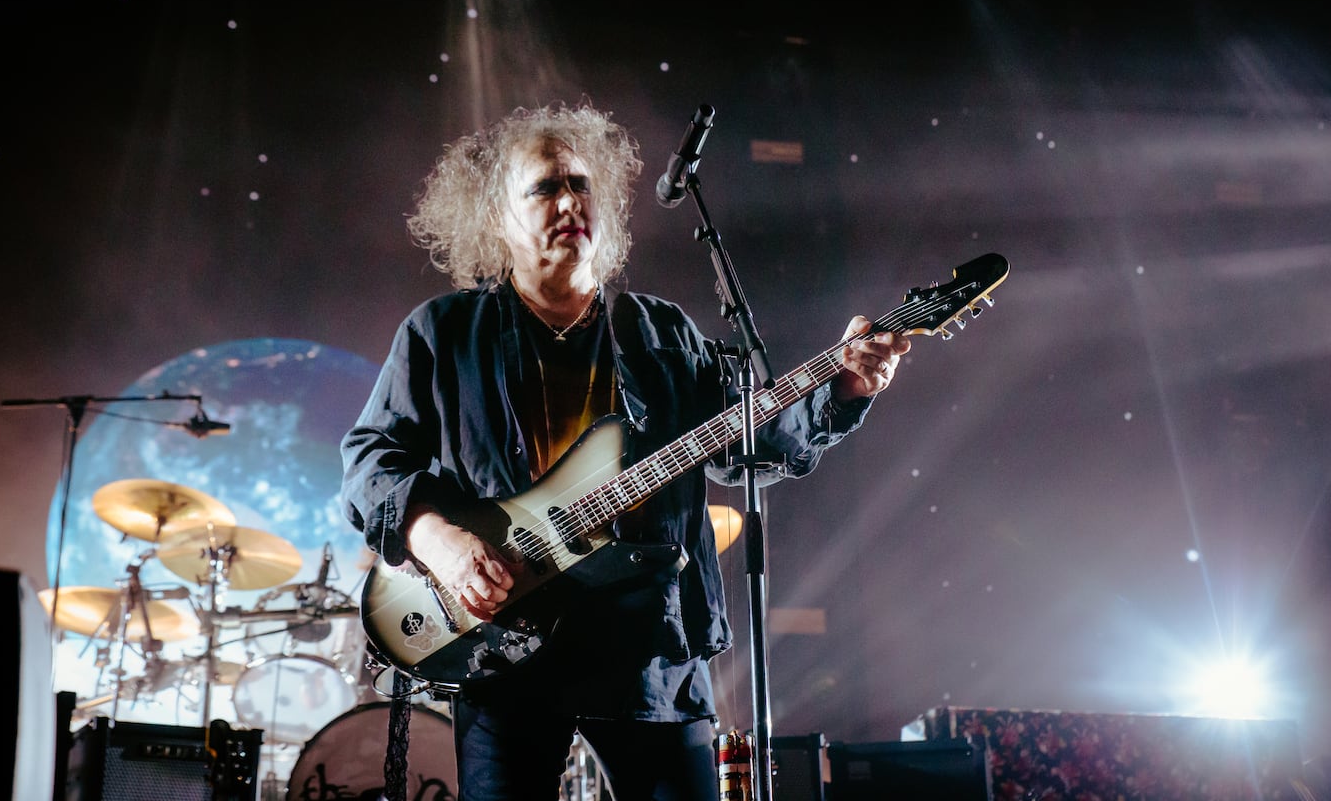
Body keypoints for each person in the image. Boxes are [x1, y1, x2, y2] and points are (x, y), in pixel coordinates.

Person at [340, 102, 910, 801]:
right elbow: (371, 461)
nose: (571, 200)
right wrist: (444, 543)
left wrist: (845, 389)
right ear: (497, 220)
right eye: (545, 188)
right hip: (503, 654)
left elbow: (747, 445)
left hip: (648, 649)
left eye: (581, 185)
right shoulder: (443, 333)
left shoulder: (660, 334)